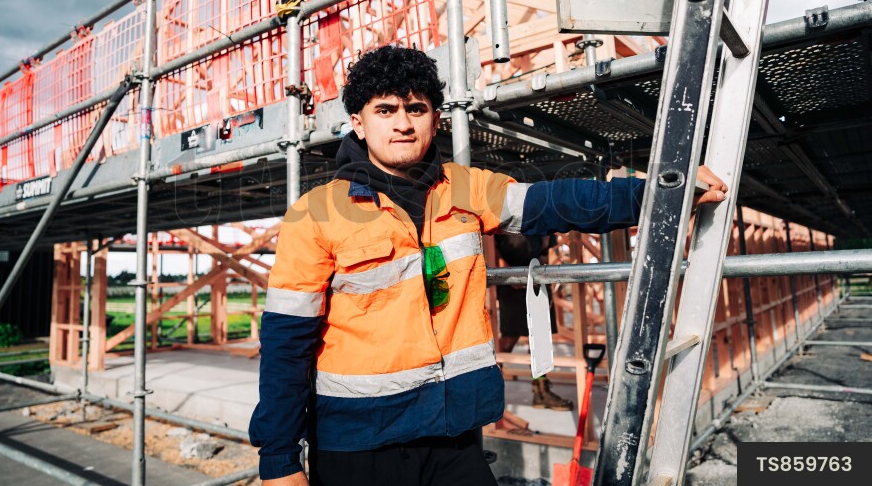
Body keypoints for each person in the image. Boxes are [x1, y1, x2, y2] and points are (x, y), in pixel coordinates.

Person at [249, 45, 728, 486]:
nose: (402, 123)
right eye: (385, 110)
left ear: (435, 119)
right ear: (358, 122)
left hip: (454, 432)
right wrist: (279, 458)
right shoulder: (315, 213)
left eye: (416, 109)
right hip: (359, 442)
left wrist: (665, 191)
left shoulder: (466, 189)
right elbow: (287, 343)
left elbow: (559, 201)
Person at [493, 232, 573, 411]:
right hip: (512, 281)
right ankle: (490, 388)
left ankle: (541, 391)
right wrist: (504, 269)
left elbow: (550, 248)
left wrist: (553, 265)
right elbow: (491, 245)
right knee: (509, 338)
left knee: (539, 338)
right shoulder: (504, 213)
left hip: (539, 279)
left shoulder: (541, 215)